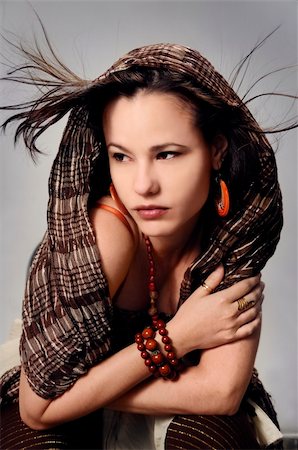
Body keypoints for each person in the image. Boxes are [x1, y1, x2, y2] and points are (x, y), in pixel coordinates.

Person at [1, 35, 295, 450]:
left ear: (216, 150)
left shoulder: (240, 231)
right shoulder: (107, 233)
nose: (142, 186)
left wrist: (87, 393)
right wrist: (177, 337)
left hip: (163, 391)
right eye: (121, 156)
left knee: (216, 439)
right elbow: (39, 404)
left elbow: (221, 393)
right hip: (59, 369)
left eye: (167, 154)